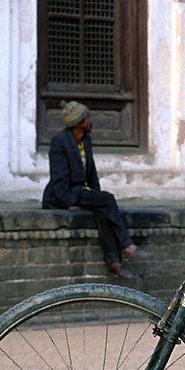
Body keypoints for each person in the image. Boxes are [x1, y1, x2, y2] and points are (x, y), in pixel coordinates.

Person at [42, 101, 148, 278]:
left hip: (80, 191)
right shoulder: (59, 142)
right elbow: (58, 179)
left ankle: (114, 262)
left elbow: (91, 171)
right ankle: (127, 246)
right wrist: (68, 203)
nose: (90, 121)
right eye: (87, 119)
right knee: (108, 199)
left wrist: (95, 194)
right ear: (78, 122)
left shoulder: (86, 140)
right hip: (63, 194)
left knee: (102, 211)